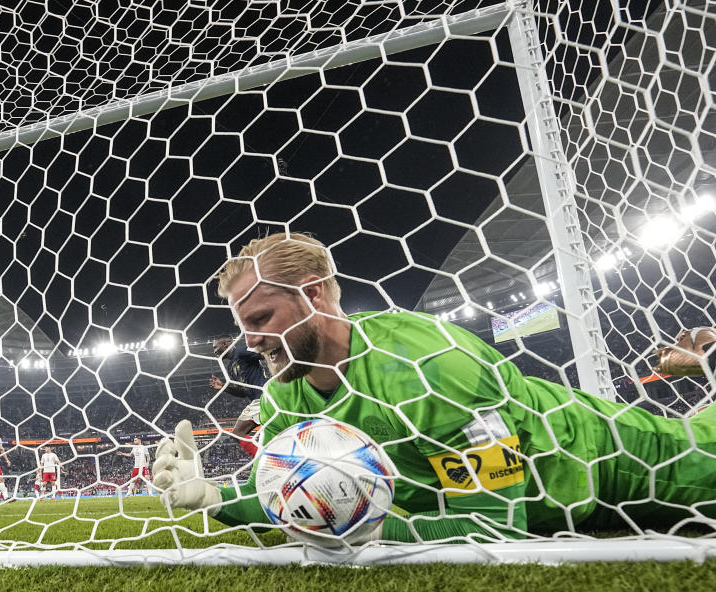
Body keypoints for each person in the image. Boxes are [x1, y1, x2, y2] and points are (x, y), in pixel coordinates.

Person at [153, 232, 716, 542]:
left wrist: (370, 534)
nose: (248, 340)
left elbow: (497, 523)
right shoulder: (283, 397)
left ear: (316, 293)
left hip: (624, 463)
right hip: (563, 511)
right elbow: (283, 502)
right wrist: (219, 497)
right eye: (242, 323)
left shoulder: (429, 365)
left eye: (261, 318)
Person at [209, 335, 268, 456]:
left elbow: (264, 355)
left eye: (216, 347)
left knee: (237, 433)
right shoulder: (231, 368)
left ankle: (262, 459)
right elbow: (243, 392)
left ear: (225, 343)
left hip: (263, 396)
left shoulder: (241, 352)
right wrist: (223, 387)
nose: (214, 351)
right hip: (258, 400)